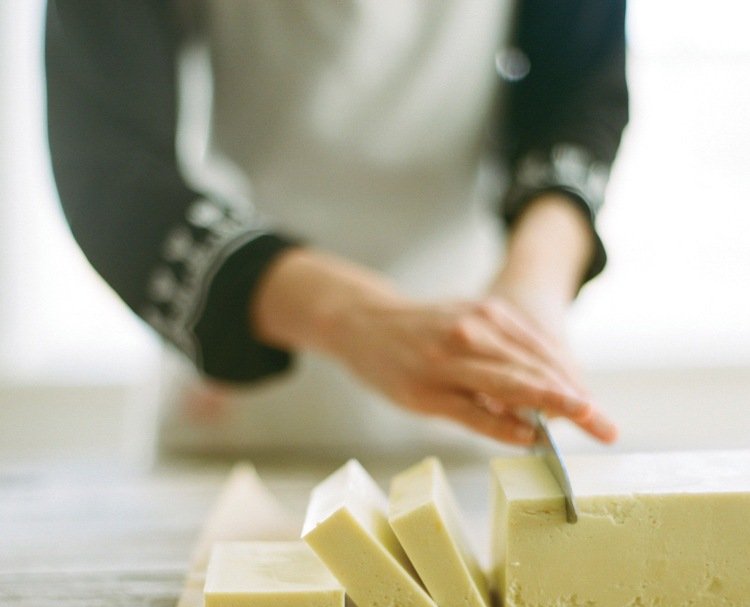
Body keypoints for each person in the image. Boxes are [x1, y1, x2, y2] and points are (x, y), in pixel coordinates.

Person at [45, 1, 628, 455]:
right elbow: (111, 169)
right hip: (243, 408)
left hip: (482, 379)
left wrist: (534, 287)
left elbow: (581, 91)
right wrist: (356, 318)